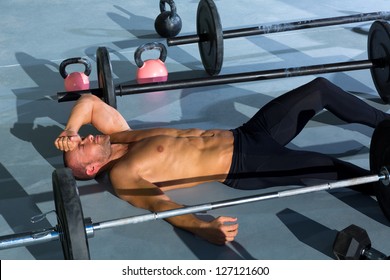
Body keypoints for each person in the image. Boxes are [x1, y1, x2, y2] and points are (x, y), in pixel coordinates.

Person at [54, 77, 389, 245]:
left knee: (320, 89)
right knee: (333, 169)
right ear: (92, 168)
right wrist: (204, 228)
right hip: (245, 166)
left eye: (81, 137)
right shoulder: (126, 174)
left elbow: (91, 102)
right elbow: (163, 206)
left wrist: (69, 129)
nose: (86, 136)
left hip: (246, 133)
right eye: (81, 144)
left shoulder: (120, 137)